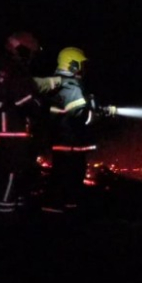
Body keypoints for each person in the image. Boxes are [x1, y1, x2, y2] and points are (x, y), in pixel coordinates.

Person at [0, 31, 62, 221]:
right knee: (13, 174)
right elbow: (25, 101)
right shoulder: (15, 69)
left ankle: (13, 215)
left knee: (16, 174)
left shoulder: (5, 67)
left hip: (8, 132)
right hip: (12, 133)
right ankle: (5, 219)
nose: (32, 57)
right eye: (30, 52)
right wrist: (45, 106)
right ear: (21, 50)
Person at [42, 46, 114, 214]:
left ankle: (61, 213)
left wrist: (96, 108)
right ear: (73, 64)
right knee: (69, 180)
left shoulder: (60, 84)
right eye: (81, 64)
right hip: (70, 145)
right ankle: (59, 216)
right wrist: (96, 115)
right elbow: (80, 114)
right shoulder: (71, 86)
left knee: (62, 180)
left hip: (64, 142)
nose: (83, 69)